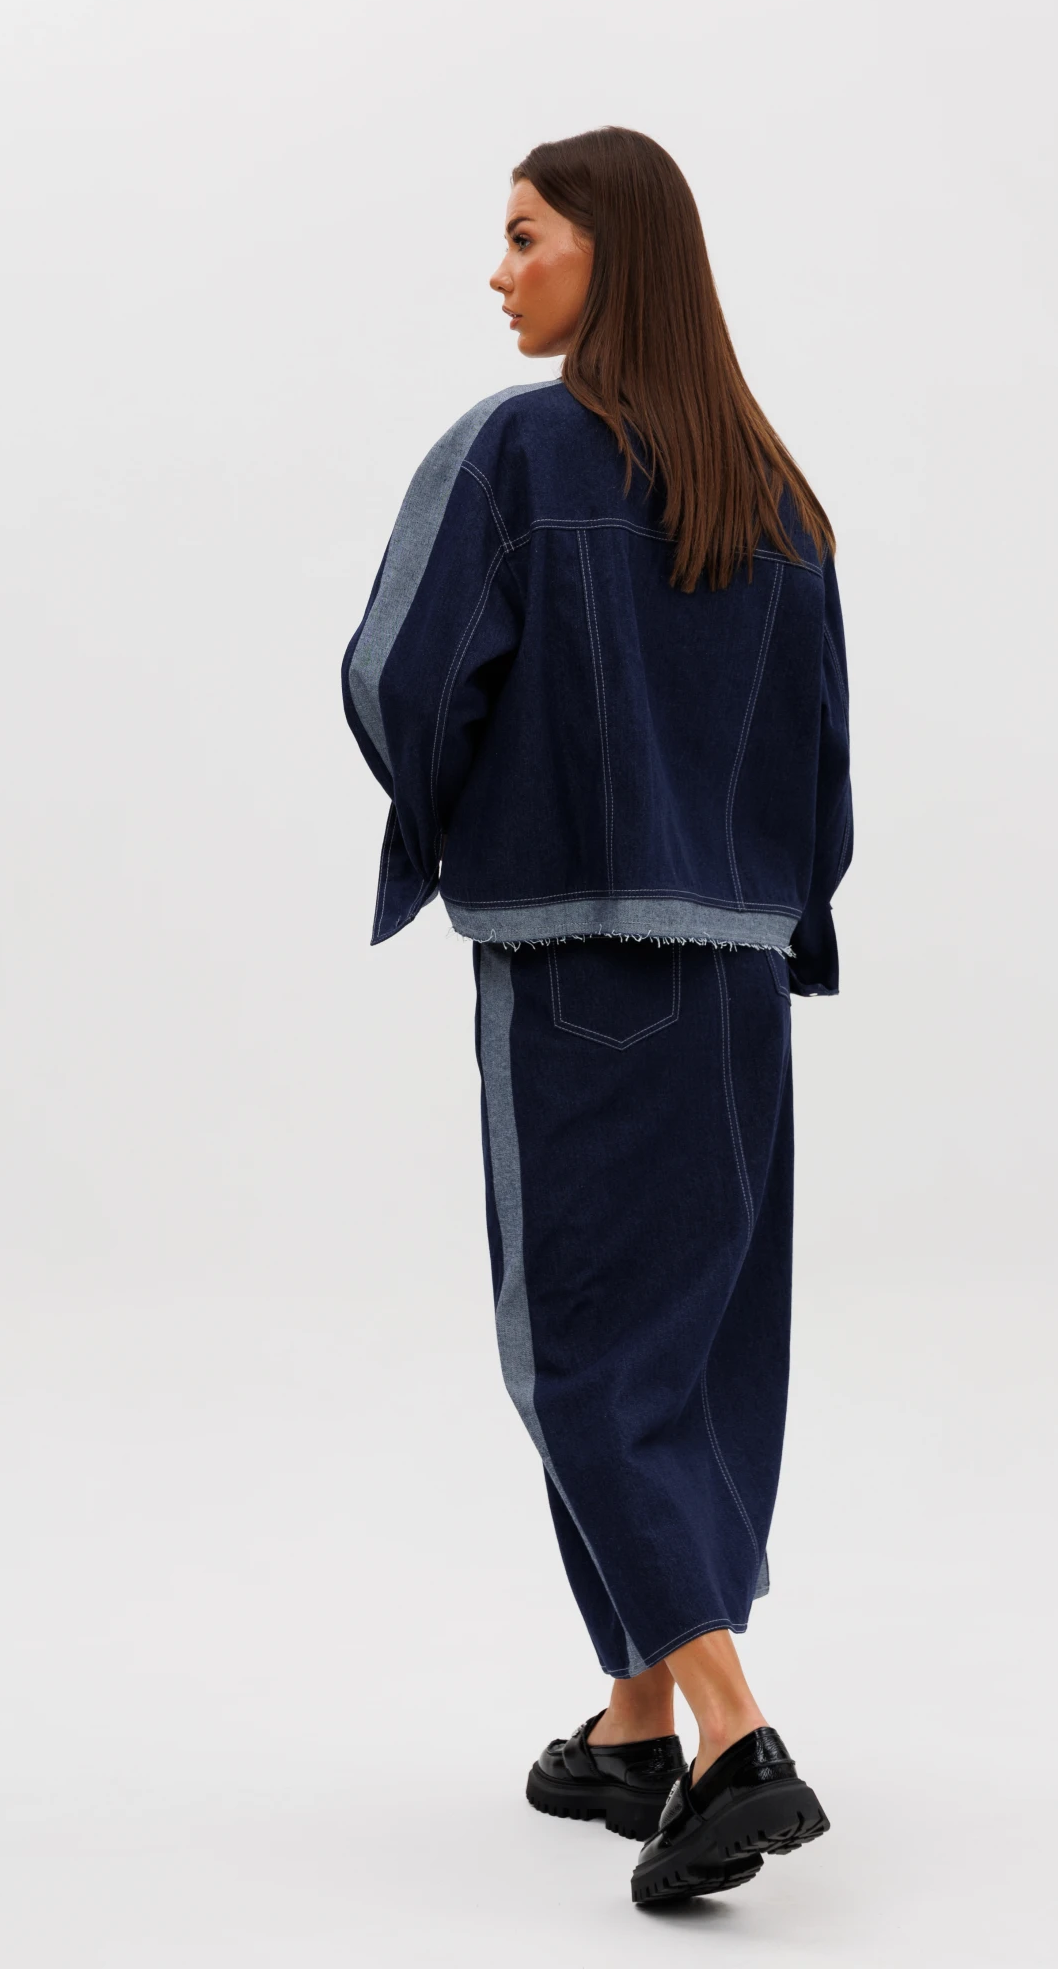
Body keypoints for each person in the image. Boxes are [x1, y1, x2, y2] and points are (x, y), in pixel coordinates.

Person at [340, 126, 852, 1907]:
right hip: (741, 978)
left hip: (577, 969)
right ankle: (635, 1718)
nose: (500, 273)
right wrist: (772, 910)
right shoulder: (779, 495)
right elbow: (823, 760)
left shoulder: (520, 452)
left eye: (525, 236)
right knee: (699, 1353)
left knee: (581, 1352)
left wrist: (470, 829)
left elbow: (399, 677)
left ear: (607, 253)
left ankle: (733, 1735)